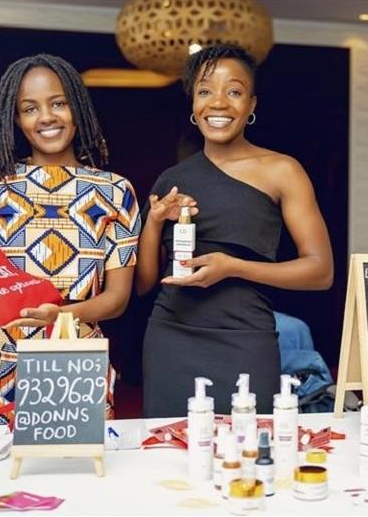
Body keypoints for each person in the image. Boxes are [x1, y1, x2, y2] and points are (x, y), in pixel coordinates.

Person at [137, 44, 333, 417]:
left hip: (247, 340)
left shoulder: (282, 171)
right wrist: (154, 221)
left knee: (247, 456)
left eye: (235, 91)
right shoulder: (172, 180)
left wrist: (235, 267)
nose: (219, 103)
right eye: (205, 91)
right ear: (193, 105)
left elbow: (320, 272)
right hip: (170, 337)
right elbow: (146, 283)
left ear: (252, 105)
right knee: (167, 458)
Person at [0, 54, 140, 426]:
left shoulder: (115, 191)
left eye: (58, 103)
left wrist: (61, 315)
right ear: (16, 118)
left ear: (77, 107)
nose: (46, 117)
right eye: (30, 108)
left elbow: (117, 299)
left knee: (76, 475)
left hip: (74, 357)